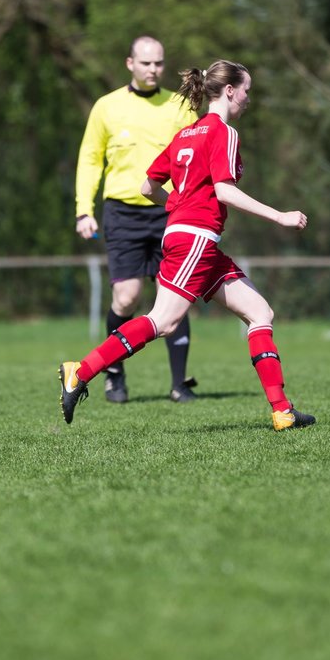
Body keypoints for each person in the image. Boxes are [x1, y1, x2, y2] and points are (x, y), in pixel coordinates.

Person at [59, 59, 316, 431]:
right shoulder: (223, 133)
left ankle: (282, 411)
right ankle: (79, 371)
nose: (248, 99)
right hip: (195, 238)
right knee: (162, 320)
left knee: (261, 313)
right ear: (230, 91)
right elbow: (224, 190)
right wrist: (280, 216)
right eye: (247, 91)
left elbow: (147, 187)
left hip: (195, 241)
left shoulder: (186, 134)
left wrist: (176, 206)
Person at [75, 36, 200, 404]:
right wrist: (85, 209)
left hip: (170, 212)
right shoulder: (107, 107)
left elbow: (198, 155)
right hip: (123, 213)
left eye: (159, 63)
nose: (153, 70)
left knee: (174, 300)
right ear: (130, 63)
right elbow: (90, 159)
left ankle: (179, 383)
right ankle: (114, 374)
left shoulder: (180, 106)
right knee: (127, 298)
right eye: (146, 63)